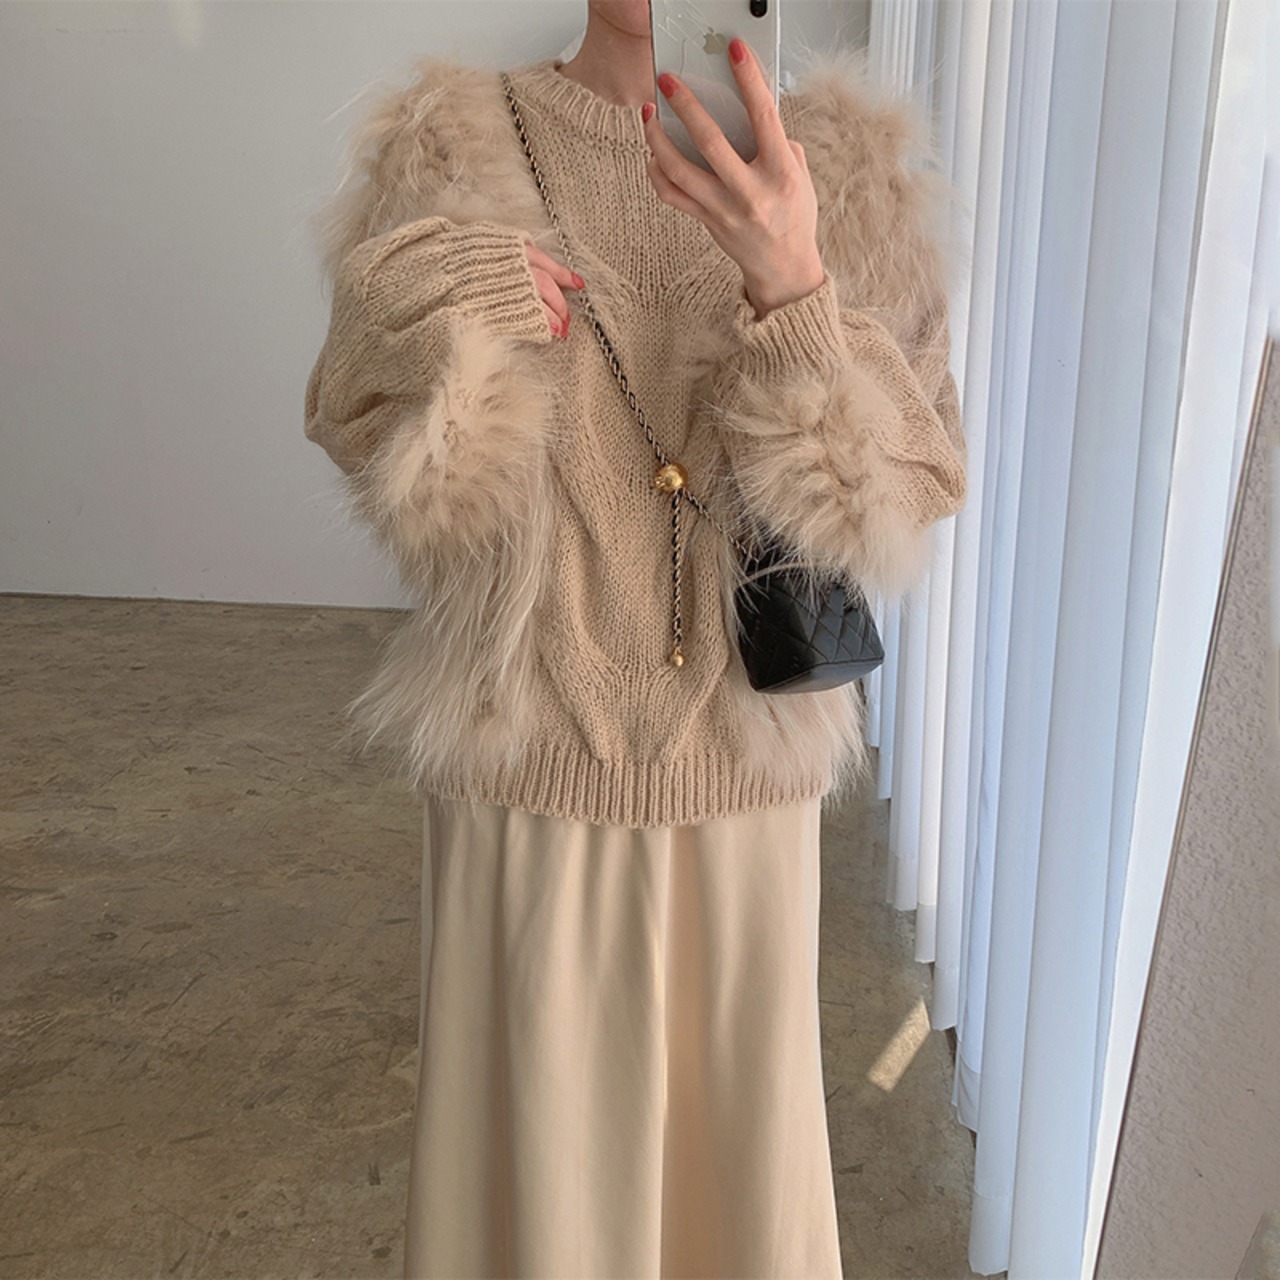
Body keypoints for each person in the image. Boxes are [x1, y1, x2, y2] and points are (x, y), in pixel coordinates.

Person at [303, 2, 967, 1275]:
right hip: (526, 770)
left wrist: (797, 288)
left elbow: (911, 483)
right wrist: (459, 302)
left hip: (741, 785)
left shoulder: (843, 172)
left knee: (736, 1189)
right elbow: (353, 414)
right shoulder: (451, 140)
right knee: (538, 1191)